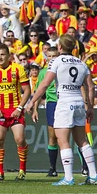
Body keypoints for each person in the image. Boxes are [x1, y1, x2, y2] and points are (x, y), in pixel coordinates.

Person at [28, 34, 97, 186]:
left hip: (64, 103)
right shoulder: (81, 63)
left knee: (63, 140)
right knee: (82, 141)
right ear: (74, 47)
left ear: (60, 47)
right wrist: (90, 107)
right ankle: (93, 175)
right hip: (79, 103)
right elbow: (91, 86)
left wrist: (32, 101)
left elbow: (45, 84)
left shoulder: (56, 61)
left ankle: (68, 177)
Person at [0, 44, 31, 182]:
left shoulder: (18, 69)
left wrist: (20, 108)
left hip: (15, 110)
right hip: (0, 112)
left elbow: (27, 90)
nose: (0, 57)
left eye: (3, 54)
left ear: (9, 56)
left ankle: (22, 170)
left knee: (20, 139)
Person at [32, 46, 60, 177]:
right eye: (49, 56)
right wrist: (35, 109)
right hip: (52, 104)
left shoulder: (62, 69)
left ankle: (84, 167)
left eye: (54, 56)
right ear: (46, 58)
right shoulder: (43, 73)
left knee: (74, 135)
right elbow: (39, 91)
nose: (52, 59)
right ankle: (52, 168)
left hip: (64, 102)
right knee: (52, 137)